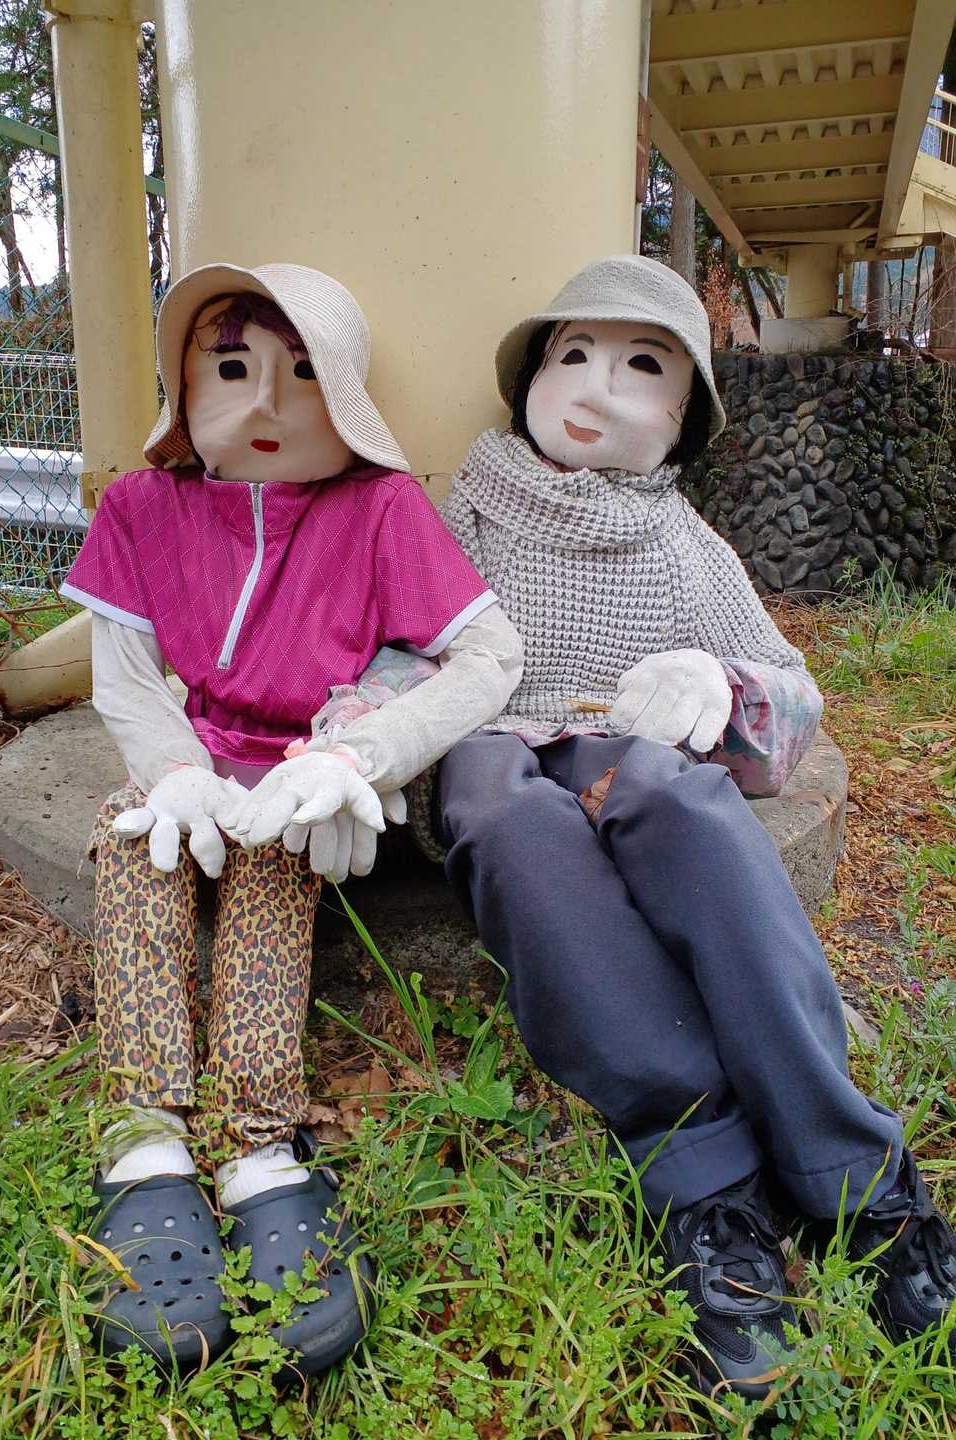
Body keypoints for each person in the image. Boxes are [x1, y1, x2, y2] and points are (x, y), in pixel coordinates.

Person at [396, 254, 956, 1401]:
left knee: (687, 804)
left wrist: (718, 683)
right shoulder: (471, 506)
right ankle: (706, 1186)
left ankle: (857, 1181)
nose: (596, 387)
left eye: (641, 367)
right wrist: (361, 746)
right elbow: (410, 641)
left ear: (684, 416)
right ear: (530, 377)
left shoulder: (683, 541)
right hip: (490, 736)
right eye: (572, 355)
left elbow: (789, 688)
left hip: (627, 737)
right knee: (513, 829)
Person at [60, 262, 522, 1375]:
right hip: (194, 756)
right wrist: (172, 771)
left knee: (275, 867)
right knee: (133, 841)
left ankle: (260, 1145)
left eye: (304, 373)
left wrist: (360, 756)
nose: (264, 403)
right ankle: (144, 1142)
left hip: (304, 770)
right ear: (183, 385)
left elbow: (489, 655)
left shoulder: (381, 509)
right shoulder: (142, 507)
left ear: (346, 394)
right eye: (231, 369)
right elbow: (123, 674)